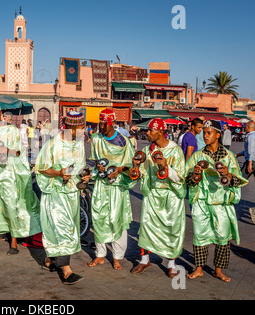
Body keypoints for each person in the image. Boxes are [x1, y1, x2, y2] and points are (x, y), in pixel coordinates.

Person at [185, 120, 248, 282]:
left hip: (221, 204)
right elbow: (188, 180)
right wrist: (195, 174)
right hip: (202, 203)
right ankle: (198, 268)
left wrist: (228, 174)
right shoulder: (198, 156)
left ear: (218, 135)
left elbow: (237, 181)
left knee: (223, 237)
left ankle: (218, 270)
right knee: (200, 235)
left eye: (209, 133)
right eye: (204, 132)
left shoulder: (229, 156)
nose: (205, 136)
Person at [0, 102, 40, 255]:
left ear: (1, 114)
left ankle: (14, 242)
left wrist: (7, 150)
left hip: (8, 174)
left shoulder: (11, 130)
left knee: (11, 205)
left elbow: (19, 152)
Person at [34, 111, 90, 285]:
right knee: (63, 229)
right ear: (71, 128)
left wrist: (85, 175)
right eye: (81, 127)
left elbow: (81, 167)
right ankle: (67, 271)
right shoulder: (52, 145)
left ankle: (49, 260)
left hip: (72, 195)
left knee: (61, 230)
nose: (84, 130)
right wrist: (58, 173)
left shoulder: (79, 144)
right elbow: (41, 168)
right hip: (56, 194)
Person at [130, 118, 186, 278]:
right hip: (153, 195)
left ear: (160, 131)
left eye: (150, 130)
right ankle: (144, 260)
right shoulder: (148, 151)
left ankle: (171, 264)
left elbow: (180, 177)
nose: (147, 133)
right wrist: (136, 168)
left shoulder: (176, 150)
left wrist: (166, 167)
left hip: (171, 196)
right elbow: (144, 172)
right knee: (146, 228)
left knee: (171, 229)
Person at [87, 109, 136, 271]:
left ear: (111, 123)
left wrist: (119, 169)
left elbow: (131, 164)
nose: (101, 126)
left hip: (117, 187)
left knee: (117, 219)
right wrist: (99, 168)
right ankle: (100, 254)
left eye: (104, 123)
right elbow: (95, 162)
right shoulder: (97, 140)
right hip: (101, 185)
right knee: (99, 217)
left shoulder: (124, 141)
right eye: (100, 123)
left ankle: (117, 257)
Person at [236, 120, 255, 223]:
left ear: (248, 127)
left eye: (245, 126)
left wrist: (250, 164)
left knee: (239, 179)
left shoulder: (251, 136)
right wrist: (239, 154)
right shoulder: (252, 136)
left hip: (252, 161)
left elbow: (251, 150)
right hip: (252, 160)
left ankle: (231, 198)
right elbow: (248, 150)